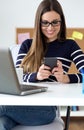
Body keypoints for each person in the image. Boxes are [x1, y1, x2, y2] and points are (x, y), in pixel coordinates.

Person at [0, 0, 84, 130]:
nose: (50, 27)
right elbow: (17, 77)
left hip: (45, 111)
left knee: (2, 107)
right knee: (2, 123)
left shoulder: (70, 45)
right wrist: (36, 76)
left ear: (61, 22)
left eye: (55, 22)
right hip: (20, 104)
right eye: (45, 23)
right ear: (38, 23)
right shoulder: (27, 45)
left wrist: (66, 78)